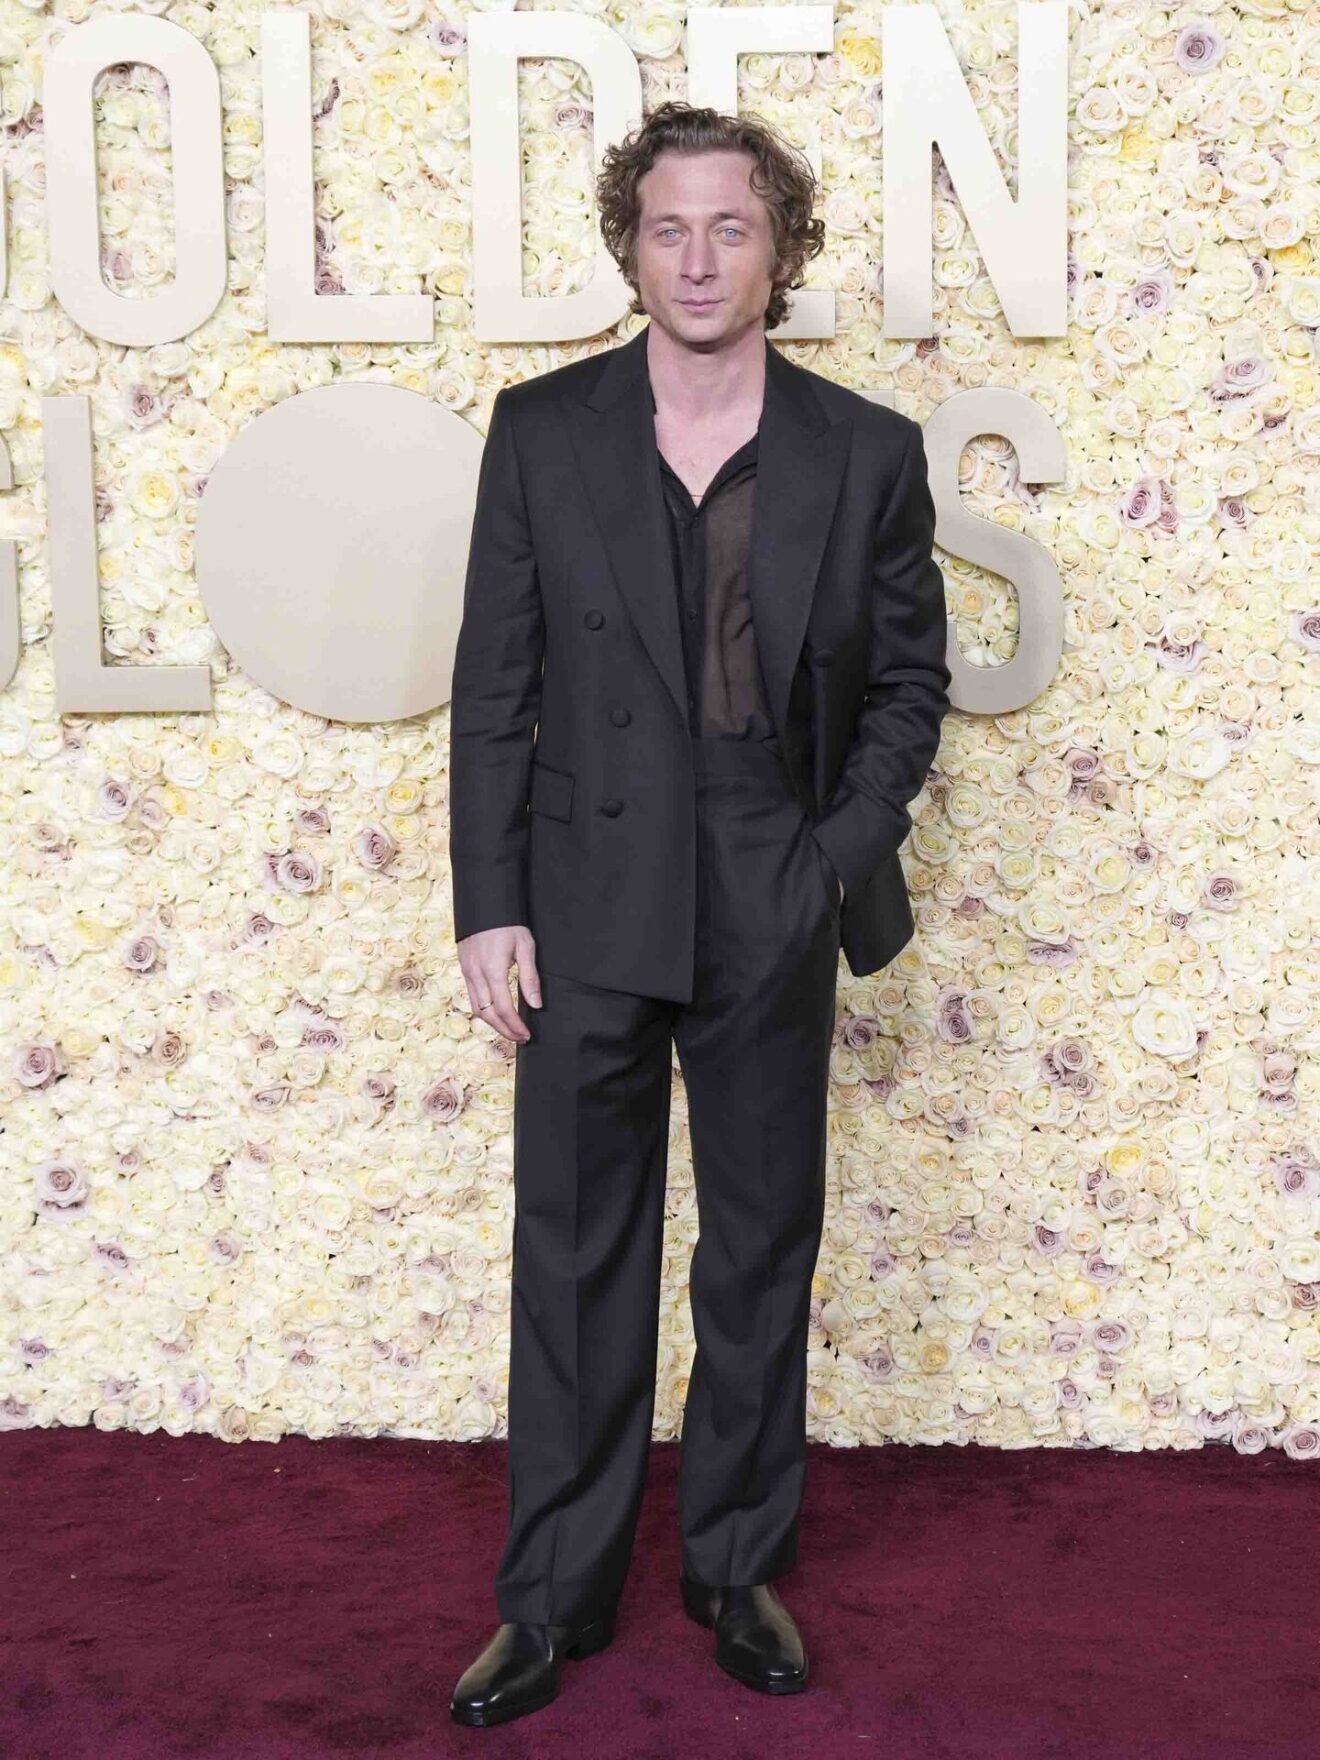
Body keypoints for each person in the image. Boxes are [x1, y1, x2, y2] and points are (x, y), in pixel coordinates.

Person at [447, 101, 952, 1728]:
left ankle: (738, 1571)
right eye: (669, 228)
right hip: (585, 891)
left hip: (765, 884)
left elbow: (912, 687)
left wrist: (827, 859)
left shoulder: (863, 448)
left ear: (780, 246)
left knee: (757, 1249)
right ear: (630, 245)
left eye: (731, 227)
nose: (698, 257)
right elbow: (493, 688)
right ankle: (549, 1600)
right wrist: (489, 906)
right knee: (576, 1253)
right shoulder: (539, 431)